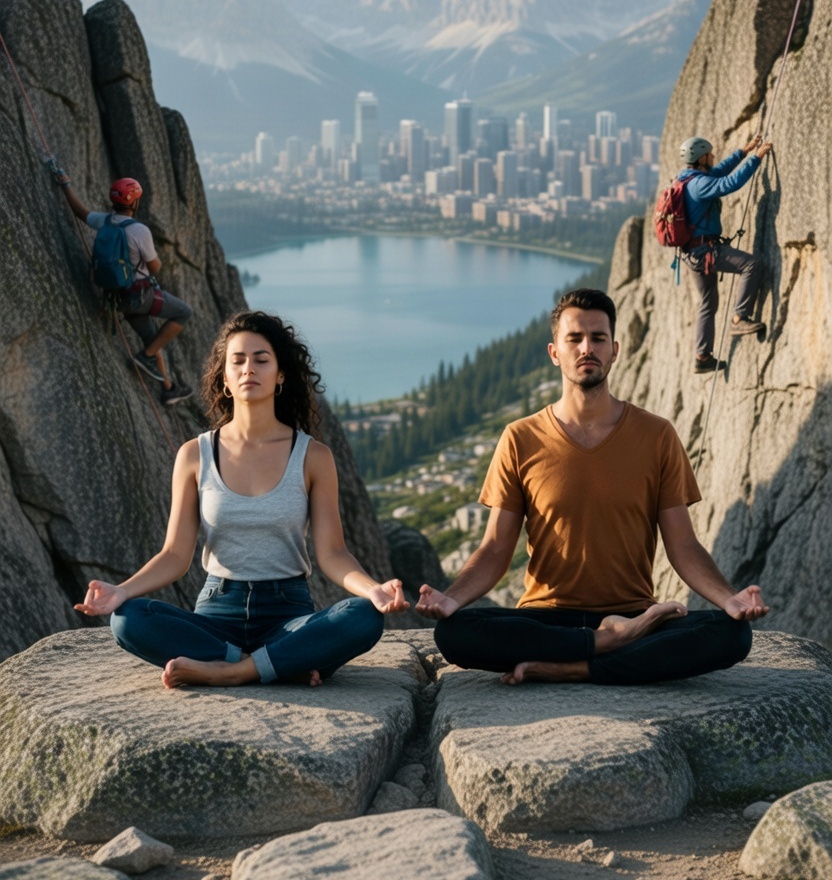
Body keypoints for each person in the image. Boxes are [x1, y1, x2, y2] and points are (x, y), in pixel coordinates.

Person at [416, 287, 768, 686]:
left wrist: (729, 599)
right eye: (575, 338)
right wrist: (452, 599)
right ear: (555, 353)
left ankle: (574, 665)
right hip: (546, 615)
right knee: (454, 632)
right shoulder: (520, 437)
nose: (587, 348)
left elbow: (683, 546)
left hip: (633, 612)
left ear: (614, 350)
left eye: (598, 338)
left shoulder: (657, 435)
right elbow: (496, 548)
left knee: (733, 634)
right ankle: (604, 646)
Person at [75, 309, 408, 687]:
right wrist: (120, 591)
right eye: (238, 360)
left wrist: (373, 590)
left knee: (363, 616)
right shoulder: (194, 455)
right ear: (225, 379)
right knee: (128, 619)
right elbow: (174, 556)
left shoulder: (313, 456)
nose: (249, 367)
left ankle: (232, 670)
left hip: (288, 616)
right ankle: (275, 665)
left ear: (280, 375)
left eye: (261, 359)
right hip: (218, 614)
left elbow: (332, 553)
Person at [55, 170, 193, 406]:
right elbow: (155, 267)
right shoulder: (139, 231)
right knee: (184, 312)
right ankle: (147, 357)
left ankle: (168, 388)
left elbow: (81, 212)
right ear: (134, 201)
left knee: (153, 339)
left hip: (119, 299)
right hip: (141, 295)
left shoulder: (104, 221)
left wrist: (66, 185)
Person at [677, 135, 772, 374]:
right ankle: (740, 318)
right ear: (701, 158)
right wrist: (756, 159)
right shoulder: (699, 184)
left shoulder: (688, 179)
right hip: (704, 252)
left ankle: (702, 356)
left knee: (708, 303)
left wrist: (743, 152)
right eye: (710, 154)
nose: (713, 157)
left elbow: (718, 172)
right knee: (751, 265)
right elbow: (728, 183)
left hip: (691, 253)